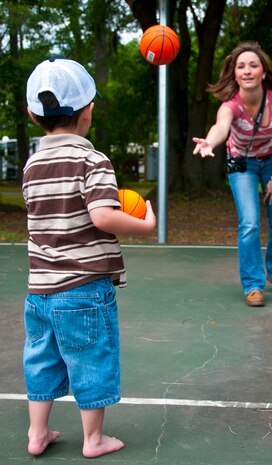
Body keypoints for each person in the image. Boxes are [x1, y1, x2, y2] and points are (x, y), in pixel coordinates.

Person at [22, 57, 156, 458]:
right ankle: (94, 440)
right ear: (89, 111)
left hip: (39, 289)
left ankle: (36, 433)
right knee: (91, 360)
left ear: (32, 115)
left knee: (42, 362)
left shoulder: (30, 165)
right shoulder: (92, 159)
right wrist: (146, 226)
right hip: (82, 288)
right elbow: (101, 216)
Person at [192, 41, 272, 307]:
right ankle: (253, 285)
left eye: (253, 65)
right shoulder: (231, 105)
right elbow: (220, 127)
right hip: (243, 165)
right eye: (241, 66)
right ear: (235, 74)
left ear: (263, 72)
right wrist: (209, 143)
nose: (247, 70)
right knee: (249, 223)